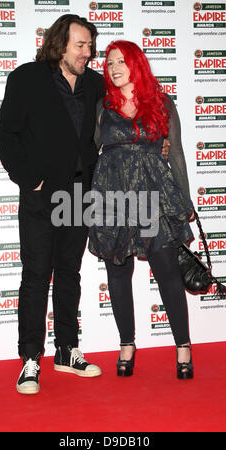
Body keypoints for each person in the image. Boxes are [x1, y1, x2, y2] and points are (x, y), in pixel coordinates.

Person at [0, 14, 105, 395]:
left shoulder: (94, 84)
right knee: (37, 276)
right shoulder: (27, 78)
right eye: (81, 45)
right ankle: (29, 358)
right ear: (60, 44)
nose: (88, 53)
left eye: (90, 45)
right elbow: (5, 133)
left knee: (69, 273)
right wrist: (30, 179)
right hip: (43, 196)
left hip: (79, 195)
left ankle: (66, 350)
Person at [88, 40, 195, 380]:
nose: (114, 68)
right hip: (112, 194)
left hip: (154, 196)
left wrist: (186, 200)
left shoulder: (162, 103)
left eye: (121, 61)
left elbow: (175, 152)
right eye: (109, 63)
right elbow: (93, 151)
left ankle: (183, 346)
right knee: (118, 273)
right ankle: (126, 344)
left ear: (137, 64)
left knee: (167, 272)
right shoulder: (103, 105)